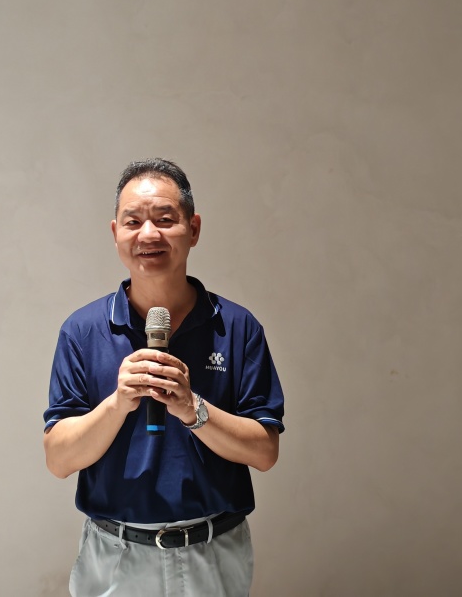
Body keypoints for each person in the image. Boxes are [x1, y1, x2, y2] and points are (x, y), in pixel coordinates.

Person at [43, 158, 285, 596]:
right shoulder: (82, 331)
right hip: (115, 555)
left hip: (213, 550)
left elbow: (265, 452)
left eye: (165, 219)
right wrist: (118, 404)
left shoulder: (237, 327)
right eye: (133, 221)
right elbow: (59, 460)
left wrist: (194, 409)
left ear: (193, 228)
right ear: (115, 233)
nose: (148, 234)